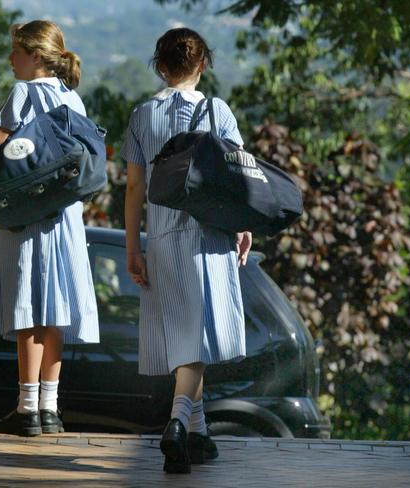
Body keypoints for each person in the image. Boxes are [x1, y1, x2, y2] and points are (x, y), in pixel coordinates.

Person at [122, 27, 252, 473]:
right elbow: (237, 178)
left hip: (162, 239)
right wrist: (243, 226)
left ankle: (198, 433)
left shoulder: (142, 116)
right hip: (209, 236)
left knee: (184, 334)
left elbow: (134, 188)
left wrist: (132, 245)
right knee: (194, 337)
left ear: (160, 65)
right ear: (202, 64)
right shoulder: (218, 111)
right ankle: (177, 424)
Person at [0, 20, 100, 437]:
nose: (11, 58)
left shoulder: (23, 93)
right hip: (64, 219)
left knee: (28, 307)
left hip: (26, 216)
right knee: (56, 308)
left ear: (34, 55)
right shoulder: (73, 99)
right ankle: (50, 408)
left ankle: (26, 408)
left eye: (16, 51)